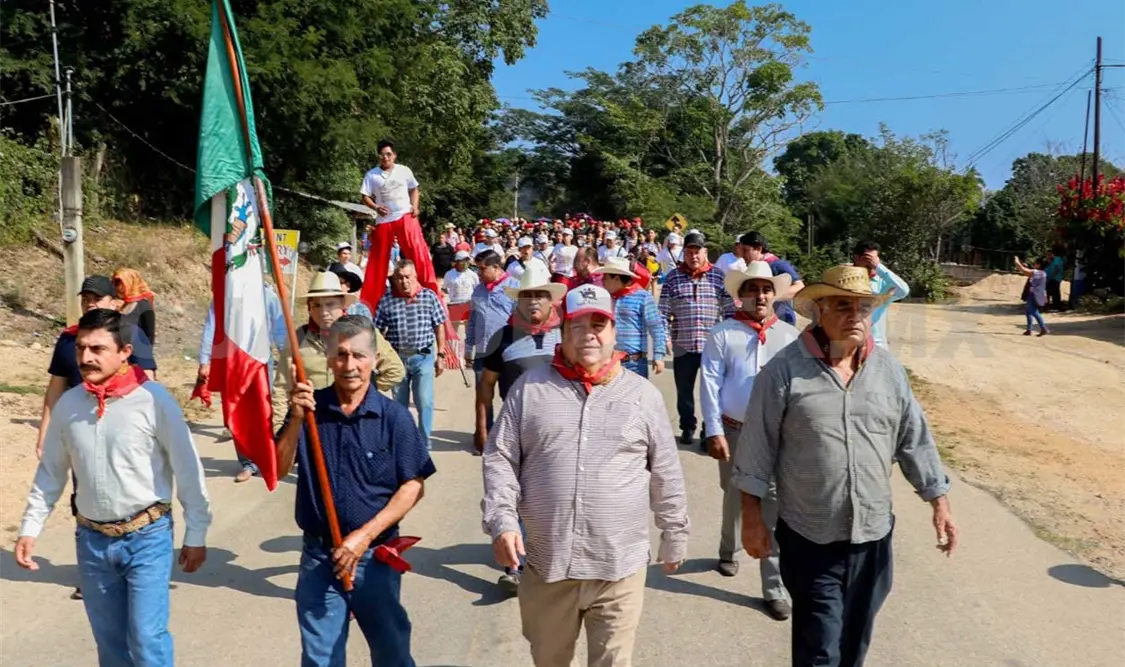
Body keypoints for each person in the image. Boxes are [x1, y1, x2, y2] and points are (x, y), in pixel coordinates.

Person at [733, 265, 958, 667]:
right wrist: (751, 517)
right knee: (820, 648)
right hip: (810, 538)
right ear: (819, 310)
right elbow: (755, 448)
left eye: (863, 306)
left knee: (854, 643)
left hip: (872, 536)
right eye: (842, 305)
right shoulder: (784, 372)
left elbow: (913, 437)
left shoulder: (888, 371)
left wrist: (938, 499)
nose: (855, 314)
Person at [482, 284, 690, 667]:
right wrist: (502, 521)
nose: (590, 333)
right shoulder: (530, 389)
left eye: (600, 324)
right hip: (548, 565)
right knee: (549, 659)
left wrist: (674, 531)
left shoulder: (642, 396)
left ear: (614, 333)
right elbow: (500, 459)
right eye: (579, 325)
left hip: (618, 568)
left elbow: (665, 469)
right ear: (563, 333)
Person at [17, 308, 212, 667]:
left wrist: (196, 533)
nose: (86, 357)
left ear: (124, 352)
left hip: (147, 538)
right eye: (81, 348)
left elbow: (187, 469)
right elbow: (51, 473)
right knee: (109, 645)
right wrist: (30, 527)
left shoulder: (154, 401)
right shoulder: (70, 405)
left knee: (147, 640)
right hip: (92, 541)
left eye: (97, 349)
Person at [278, 316, 436, 667]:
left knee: (391, 651)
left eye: (359, 356)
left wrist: (362, 538)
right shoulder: (310, 411)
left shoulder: (394, 417)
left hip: (374, 559)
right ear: (330, 358)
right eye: (341, 354)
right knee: (321, 658)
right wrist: (296, 418)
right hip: (321, 556)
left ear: (375, 359)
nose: (350, 365)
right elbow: (277, 469)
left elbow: (413, 486)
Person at [35, 275, 157, 601]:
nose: (90, 303)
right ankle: (91, 571)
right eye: (85, 298)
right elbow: (56, 388)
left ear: (113, 302)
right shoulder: (68, 340)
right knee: (84, 498)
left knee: (130, 496)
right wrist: (45, 429)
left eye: (97, 298)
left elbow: (150, 382)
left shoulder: (132, 337)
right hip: (81, 430)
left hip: (125, 434)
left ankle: (138, 564)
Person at [699, 261, 798, 620]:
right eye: (752, 289)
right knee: (735, 494)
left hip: (775, 434)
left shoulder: (788, 336)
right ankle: (729, 551)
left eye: (766, 289)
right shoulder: (723, 333)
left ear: (775, 295)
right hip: (733, 428)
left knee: (771, 504)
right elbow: (710, 383)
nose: (760, 296)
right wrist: (713, 430)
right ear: (740, 295)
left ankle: (774, 587)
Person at [474, 262, 567, 592]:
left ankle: (552, 556)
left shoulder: (567, 335)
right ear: (519, 300)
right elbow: (485, 385)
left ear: (551, 300)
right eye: (527, 296)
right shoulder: (503, 337)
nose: (533, 302)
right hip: (513, 432)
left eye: (540, 296)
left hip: (560, 433)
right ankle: (515, 566)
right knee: (511, 499)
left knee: (552, 496)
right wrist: (481, 426)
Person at [197, 280, 289, 482]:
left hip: (260, 363)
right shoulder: (223, 297)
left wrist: (288, 358)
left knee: (262, 412)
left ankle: (265, 457)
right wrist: (204, 360)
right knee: (236, 413)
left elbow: (280, 331)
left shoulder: (269, 296)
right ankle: (247, 463)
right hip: (231, 363)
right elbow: (211, 326)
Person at [658, 232, 727, 447]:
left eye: (697, 251)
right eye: (689, 252)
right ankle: (687, 426)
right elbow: (662, 312)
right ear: (683, 253)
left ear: (705, 252)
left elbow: (730, 311)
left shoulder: (719, 276)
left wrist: (730, 340)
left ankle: (710, 432)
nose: (693, 256)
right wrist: (665, 338)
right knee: (684, 392)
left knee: (713, 392)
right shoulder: (673, 277)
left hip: (712, 346)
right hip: (683, 345)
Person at [359, 139, 443, 311]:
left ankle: (430, 293)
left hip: (405, 215)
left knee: (418, 252)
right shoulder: (372, 175)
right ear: (378, 156)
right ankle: (371, 305)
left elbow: (414, 188)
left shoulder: (403, 170)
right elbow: (364, 196)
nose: (385, 157)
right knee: (377, 260)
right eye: (382, 154)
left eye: (388, 154)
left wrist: (416, 206)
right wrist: (375, 207)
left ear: (394, 155)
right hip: (384, 220)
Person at [286, 271, 404, 392]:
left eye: (330, 304)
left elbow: (395, 370)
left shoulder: (363, 333)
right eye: (317, 305)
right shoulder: (298, 338)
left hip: (353, 410)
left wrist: (365, 390)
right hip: (314, 409)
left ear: (342, 303)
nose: (323, 312)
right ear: (309, 307)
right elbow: (282, 386)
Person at [375, 260, 448, 448]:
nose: (404, 281)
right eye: (399, 278)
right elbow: (378, 332)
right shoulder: (387, 300)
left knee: (424, 401)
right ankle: (403, 443)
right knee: (399, 406)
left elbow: (439, 326)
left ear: (415, 277)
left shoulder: (429, 297)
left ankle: (423, 444)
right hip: (397, 359)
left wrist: (441, 355)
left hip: (422, 357)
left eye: (407, 277)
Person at [465, 250, 519, 432]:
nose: (479, 274)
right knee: (483, 396)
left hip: (507, 352)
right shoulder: (478, 290)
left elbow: (522, 323)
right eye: (477, 269)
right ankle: (484, 434)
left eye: (482, 269)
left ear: (496, 267)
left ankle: (509, 435)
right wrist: (468, 347)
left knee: (510, 396)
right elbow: (472, 320)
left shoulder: (515, 289)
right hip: (482, 352)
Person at [595, 257, 666, 379]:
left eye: (606, 278)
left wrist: (658, 355)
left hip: (634, 363)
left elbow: (656, 327)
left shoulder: (643, 297)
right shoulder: (605, 298)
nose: (602, 281)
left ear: (616, 278)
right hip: (608, 362)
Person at [852, 241, 910, 350]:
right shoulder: (843, 279)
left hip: (876, 346)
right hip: (847, 344)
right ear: (857, 258)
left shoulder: (883, 284)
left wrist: (879, 267)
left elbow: (903, 291)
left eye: (875, 259)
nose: (871, 264)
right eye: (868, 259)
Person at [740, 232, 805, 325]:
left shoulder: (777, 265)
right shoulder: (754, 269)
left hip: (782, 320)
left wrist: (771, 297)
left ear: (758, 249)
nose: (742, 255)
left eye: (745, 250)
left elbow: (800, 287)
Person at [113, 268, 158, 378]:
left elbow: (149, 335)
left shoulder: (143, 305)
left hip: (138, 358)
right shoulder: (117, 305)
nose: (118, 288)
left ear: (131, 283)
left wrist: (144, 359)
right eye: (116, 283)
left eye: (122, 284)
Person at [1014, 256, 1050, 336]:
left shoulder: (1036, 272)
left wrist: (1017, 261)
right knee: (1029, 311)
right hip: (1038, 295)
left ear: (1039, 265)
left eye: (1036, 263)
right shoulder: (1043, 273)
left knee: (1033, 312)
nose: (1034, 265)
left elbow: (1023, 270)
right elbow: (1030, 273)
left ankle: (1043, 328)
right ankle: (1029, 329)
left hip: (1033, 294)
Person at [442, 250, 478, 327]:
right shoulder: (449, 274)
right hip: (455, 305)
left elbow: (477, 290)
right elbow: (444, 289)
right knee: (455, 331)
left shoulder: (473, 275)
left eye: (467, 260)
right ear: (457, 262)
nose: (465, 263)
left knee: (469, 330)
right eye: (462, 261)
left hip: (469, 305)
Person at [1044, 246, 1065, 311]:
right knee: (1052, 292)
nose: (1048, 256)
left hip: (1055, 278)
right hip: (1052, 278)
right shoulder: (1052, 261)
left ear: (1052, 254)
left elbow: (1057, 269)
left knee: (1055, 292)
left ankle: (1057, 306)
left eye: (1048, 255)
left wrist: (1051, 276)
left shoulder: (1057, 259)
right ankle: (1054, 305)